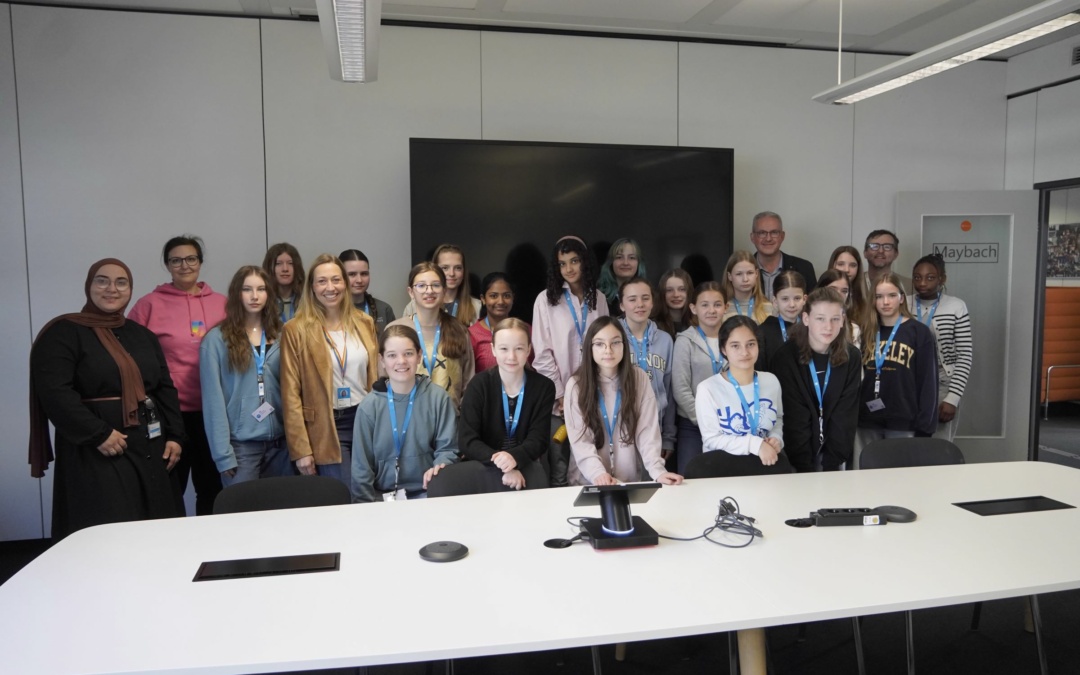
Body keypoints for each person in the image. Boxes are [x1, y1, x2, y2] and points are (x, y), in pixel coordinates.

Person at [29, 259, 183, 539]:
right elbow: (55, 392)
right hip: (97, 449)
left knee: (157, 530)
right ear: (89, 286)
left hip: (150, 446)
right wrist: (97, 434)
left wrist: (175, 435)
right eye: (102, 281)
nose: (112, 288)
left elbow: (164, 387)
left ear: (130, 289)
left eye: (121, 282)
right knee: (109, 529)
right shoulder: (63, 333)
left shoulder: (143, 335)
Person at [128, 235, 226, 516]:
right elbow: (130, 355)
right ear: (167, 265)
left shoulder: (223, 303)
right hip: (168, 415)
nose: (184, 265)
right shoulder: (148, 305)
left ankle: (210, 545)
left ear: (200, 262)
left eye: (191, 259)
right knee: (170, 487)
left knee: (212, 487)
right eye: (176, 260)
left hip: (213, 412)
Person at [281, 254, 378, 487]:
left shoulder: (364, 322)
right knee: (346, 494)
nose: (330, 287)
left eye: (336, 280)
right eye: (322, 281)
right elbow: (290, 395)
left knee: (371, 491)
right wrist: (301, 449)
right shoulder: (296, 329)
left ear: (344, 283)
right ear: (312, 287)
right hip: (327, 425)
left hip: (366, 419)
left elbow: (375, 377)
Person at [564, 317, 683, 486]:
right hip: (588, 481)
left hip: (628, 481)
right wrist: (598, 474)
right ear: (588, 348)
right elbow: (581, 440)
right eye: (599, 344)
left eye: (615, 342)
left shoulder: (639, 378)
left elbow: (647, 432)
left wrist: (658, 471)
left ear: (624, 345)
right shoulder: (576, 385)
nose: (608, 350)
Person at [199, 266, 289, 486]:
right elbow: (213, 402)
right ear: (236, 294)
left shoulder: (283, 334)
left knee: (283, 513)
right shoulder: (216, 340)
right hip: (241, 448)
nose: (255, 296)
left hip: (282, 445)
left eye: (261, 289)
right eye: (247, 289)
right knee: (241, 516)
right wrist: (222, 455)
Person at [531, 235, 609, 486]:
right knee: (558, 464)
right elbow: (542, 353)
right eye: (562, 263)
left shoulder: (599, 298)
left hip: (594, 394)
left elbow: (607, 345)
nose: (569, 269)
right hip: (558, 400)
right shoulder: (546, 300)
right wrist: (562, 395)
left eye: (574, 261)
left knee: (589, 461)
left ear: (585, 262)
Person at [351, 325, 458, 502]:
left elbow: (447, 449)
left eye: (408, 353)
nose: (401, 361)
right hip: (381, 498)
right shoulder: (369, 406)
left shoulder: (438, 399)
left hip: (428, 495)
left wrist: (441, 467)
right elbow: (361, 468)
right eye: (392, 355)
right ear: (382, 360)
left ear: (419, 356)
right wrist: (366, 509)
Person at [458, 318, 555, 490]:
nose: (511, 356)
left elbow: (538, 439)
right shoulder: (478, 385)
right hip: (483, 467)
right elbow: (467, 440)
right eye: (504, 349)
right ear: (493, 349)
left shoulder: (543, 387)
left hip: (527, 466)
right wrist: (504, 463)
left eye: (519, 348)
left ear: (528, 350)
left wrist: (514, 458)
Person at [771, 288, 861, 472]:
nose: (828, 326)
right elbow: (794, 416)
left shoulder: (852, 356)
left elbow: (845, 414)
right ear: (806, 319)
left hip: (834, 456)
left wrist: (832, 462)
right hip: (797, 457)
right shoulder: (785, 357)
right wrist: (803, 466)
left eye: (835, 319)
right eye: (820, 318)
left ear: (843, 320)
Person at [857, 274, 937, 456]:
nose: (885, 302)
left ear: (901, 297)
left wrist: (925, 426)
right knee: (866, 476)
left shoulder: (919, 333)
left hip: (904, 422)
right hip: (867, 421)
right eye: (879, 296)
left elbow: (928, 383)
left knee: (901, 478)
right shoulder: (866, 331)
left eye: (891, 295)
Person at [386, 262, 475, 413]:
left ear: (444, 290)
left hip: (450, 419)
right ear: (411, 292)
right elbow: (384, 379)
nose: (429, 291)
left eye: (436, 285)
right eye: (421, 285)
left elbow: (469, 381)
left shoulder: (459, 330)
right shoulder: (396, 330)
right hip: (407, 418)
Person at [695, 316, 784, 465]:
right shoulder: (707, 389)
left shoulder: (771, 381)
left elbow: (778, 419)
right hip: (723, 468)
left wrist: (776, 438)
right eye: (735, 346)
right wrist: (756, 445)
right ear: (724, 349)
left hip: (764, 463)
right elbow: (711, 439)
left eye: (750, 344)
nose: (744, 352)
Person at [909, 254, 973, 441]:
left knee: (938, 449)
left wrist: (952, 398)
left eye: (930, 277)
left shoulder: (956, 306)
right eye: (917, 276)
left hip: (942, 386)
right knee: (907, 448)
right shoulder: (903, 303)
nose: (922, 282)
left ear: (942, 279)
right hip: (909, 385)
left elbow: (965, 355)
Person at [672, 281, 727, 475]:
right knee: (691, 479)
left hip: (729, 423)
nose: (711, 310)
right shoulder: (684, 341)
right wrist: (705, 421)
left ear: (726, 307)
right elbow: (680, 388)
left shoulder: (734, 340)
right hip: (693, 425)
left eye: (717, 304)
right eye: (705, 305)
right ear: (693, 308)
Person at [619, 277, 676, 458]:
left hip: (654, 428)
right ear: (622, 305)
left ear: (652, 302)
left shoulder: (665, 340)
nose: (640, 304)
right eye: (632, 299)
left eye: (645, 298)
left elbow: (669, 390)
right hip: (619, 426)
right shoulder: (612, 337)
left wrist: (668, 437)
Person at [401, 244, 481, 325]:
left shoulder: (476, 306)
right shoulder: (413, 306)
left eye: (458, 268)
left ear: (464, 271)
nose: (452, 273)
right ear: (434, 270)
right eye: (445, 268)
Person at [469, 272, 531, 374]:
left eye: (506, 296)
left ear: (513, 298)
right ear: (483, 299)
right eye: (493, 296)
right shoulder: (472, 335)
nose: (501, 301)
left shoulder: (526, 330)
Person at [750, 211, 816, 300]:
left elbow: (813, 307)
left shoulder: (804, 268)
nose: (768, 238)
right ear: (752, 237)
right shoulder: (741, 270)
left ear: (782, 236)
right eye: (762, 233)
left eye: (774, 233)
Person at [757, 271, 806, 371]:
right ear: (775, 301)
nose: (792, 304)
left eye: (797, 298)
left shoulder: (810, 328)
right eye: (785, 299)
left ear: (804, 299)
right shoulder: (763, 332)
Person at [339, 248, 396, 335]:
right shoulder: (332, 311)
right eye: (352, 274)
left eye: (364, 274)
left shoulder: (384, 309)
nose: (359, 280)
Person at [723, 250, 775, 323]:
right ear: (730, 276)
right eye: (739, 274)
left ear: (756, 274)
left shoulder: (769, 307)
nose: (745, 279)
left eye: (750, 273)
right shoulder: (722, 308)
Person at [597, 238, 647, 314]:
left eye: (631, 258)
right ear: (611, 263)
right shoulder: (599, 297)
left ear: (639, 263)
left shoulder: (649, 297)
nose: (625, 263)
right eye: (619, 257)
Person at [817, 269, 863, 347]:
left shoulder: (854, 330)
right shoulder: (808, 323)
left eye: (844, 291)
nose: (838, 295)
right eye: (832, 289)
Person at [262, 243, 304, 324]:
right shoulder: (262, 300)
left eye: (290, 263)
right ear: (270, 268)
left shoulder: (307, 299)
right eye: (278, 263)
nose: (285, 269)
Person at [828, 245, 868, 329]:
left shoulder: (865, 302)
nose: (846, 269)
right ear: (833, 265)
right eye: (841, 264)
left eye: (853, 265)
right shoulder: (817, 297)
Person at [863, 230, 911, 296]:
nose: (880, 251)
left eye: (887, 247)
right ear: (865, 253)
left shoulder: (909, 286)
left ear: (896, 254)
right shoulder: (853, 283)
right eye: (874, 246)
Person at [656, 268, 693, 337]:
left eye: (682, 289)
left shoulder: (698, 323)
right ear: (662, 293)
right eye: (669, 290)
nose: (676, 295)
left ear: (689, 292)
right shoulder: (653, 326)